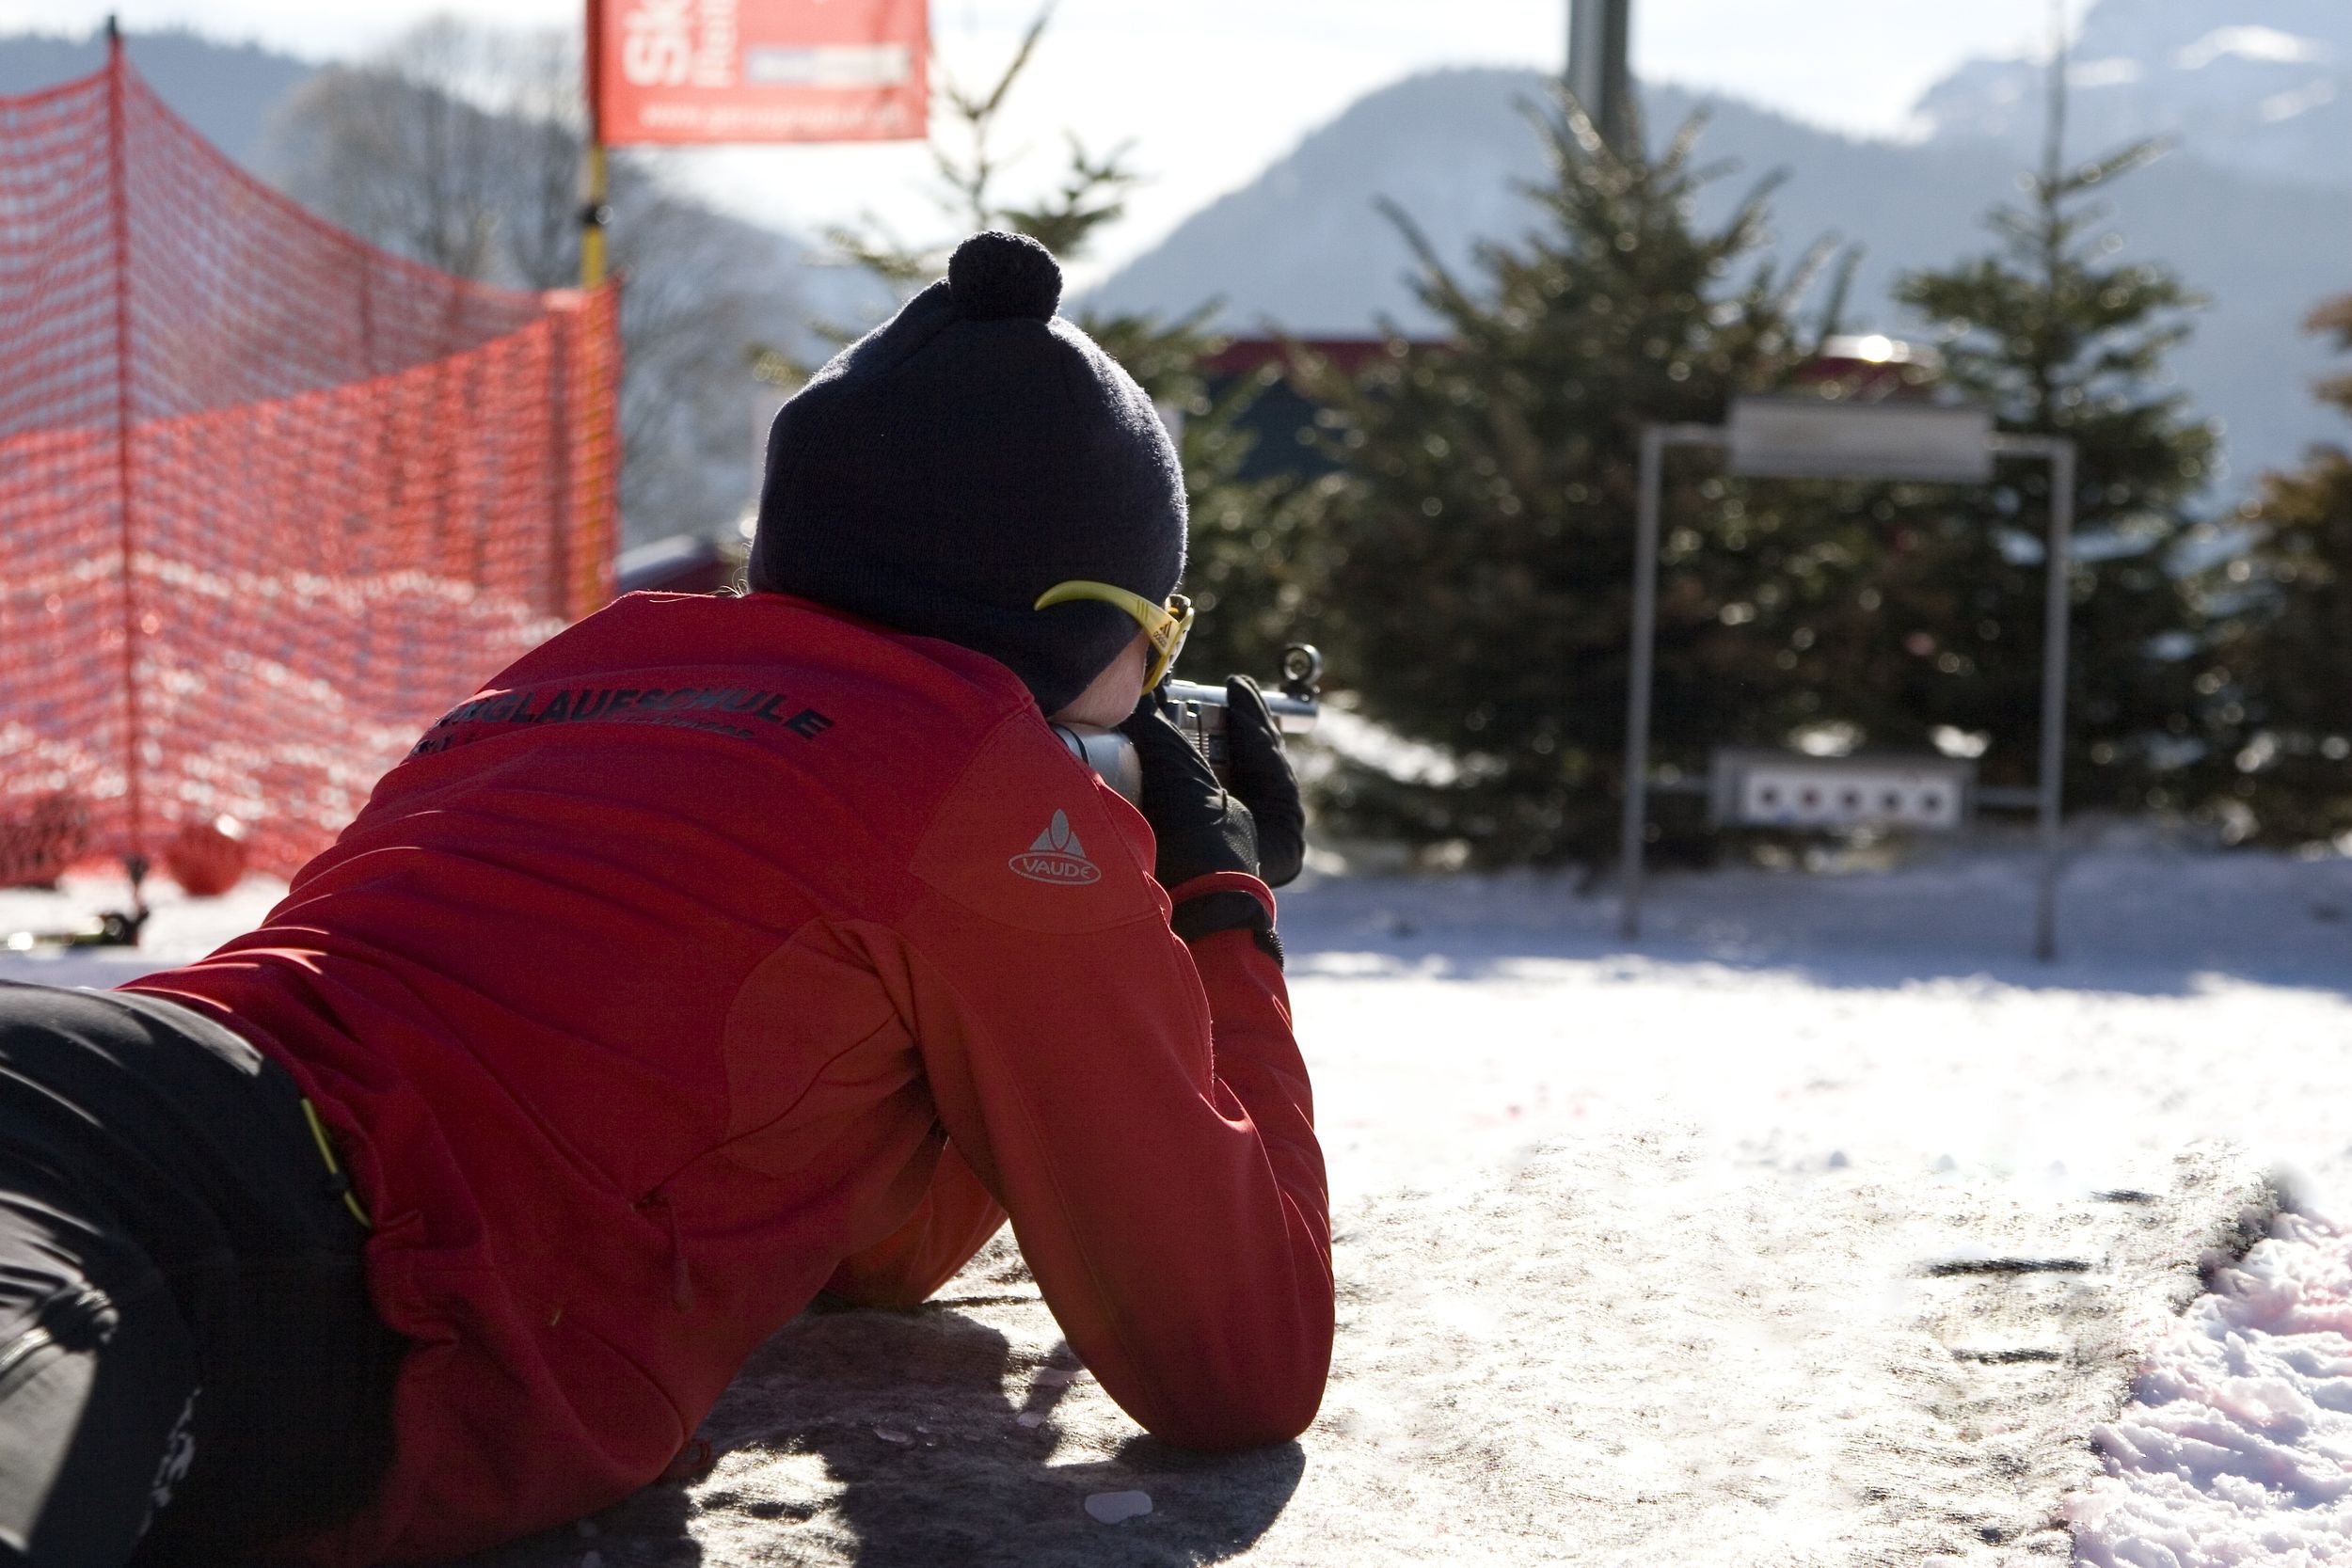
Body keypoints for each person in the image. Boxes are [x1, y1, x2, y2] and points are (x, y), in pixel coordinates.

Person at [0, 230, 1332, 1567]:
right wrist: (1211, 908)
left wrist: (1087, 951)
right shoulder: (978, 778)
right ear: (1084, 612)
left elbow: (851, 1245)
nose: (1156, 688)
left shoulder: (594, 661)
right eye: (1158, 641)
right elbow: (1241, 1362)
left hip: (121, 1085)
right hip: (246, 1230)